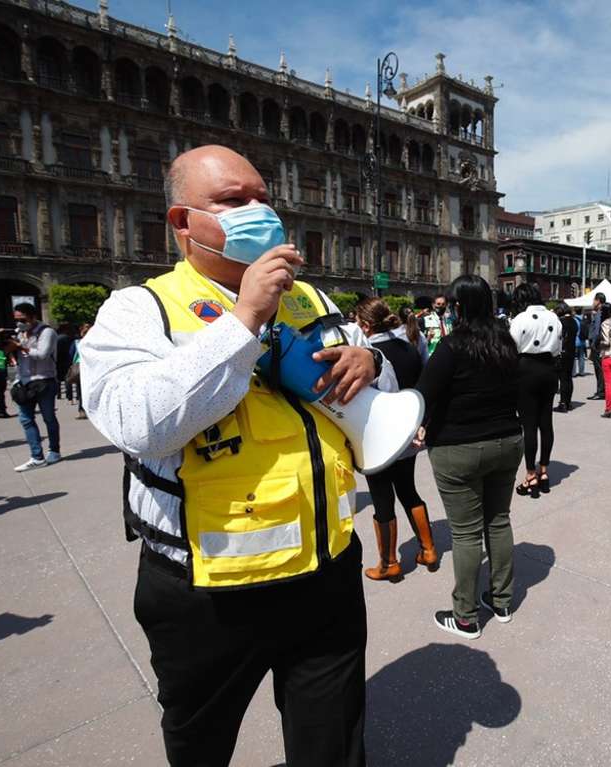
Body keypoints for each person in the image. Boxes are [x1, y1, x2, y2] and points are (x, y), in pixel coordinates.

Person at [80, 145, 394, 766]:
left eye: (262, 197)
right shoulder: (139, 309)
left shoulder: (314, 299)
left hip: (325, 570)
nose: (259, 211)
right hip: (210, 590)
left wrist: (372, 361)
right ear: (182, 222)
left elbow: (362, 402)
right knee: (202, 743)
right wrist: (245, 319)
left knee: (333, 740)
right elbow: (138, 423)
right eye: (232, 201)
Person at [414, 273, 522, 639]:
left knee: (465, 533)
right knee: (499, 520)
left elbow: (424, 394)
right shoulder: (505, 341)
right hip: (507, 439)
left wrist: (420, 425)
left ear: (458, 307)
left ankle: (465, 615)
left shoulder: (452, 345)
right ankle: (502, 599)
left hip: (458, 446)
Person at [353, 297, 437, 582]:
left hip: (378, 438)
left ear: (365, 325)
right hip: (409, 433)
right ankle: (428, 549)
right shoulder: (411, 343)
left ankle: (389, 563)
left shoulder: (368, 353)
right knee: (408, 490)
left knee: (382, 499)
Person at [509, 282, 561, 496]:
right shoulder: (554, 317)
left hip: (526, 369)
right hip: (549, 369)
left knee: (528, 425)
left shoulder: (520, 319)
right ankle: (544, 470)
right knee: (546, 421)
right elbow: (558, 347)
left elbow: (512, 347)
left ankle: (530, 474)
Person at [7, 303, 62, 472]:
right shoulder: (19, 333)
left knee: (48, 418)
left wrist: (21, 347)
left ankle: (54, 450)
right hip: (23, 382)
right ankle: (37, 456)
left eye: (22, 319)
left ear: (32, 316)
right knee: (25, 419)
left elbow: (42, 354)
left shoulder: (47, 332)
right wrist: (9, 350)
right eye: (16, 320)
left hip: (44, 381)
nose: (19, 323)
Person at [554, 303, 577, 412]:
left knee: (563, 378)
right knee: (568, 377)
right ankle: (568, 401)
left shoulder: (561, 322)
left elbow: (559, 337)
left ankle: (563, 403)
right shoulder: (574, 321)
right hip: (571, 351)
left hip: (562, 352)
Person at [586, 293, 606, 400]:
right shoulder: (601, 313)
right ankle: (601, 390)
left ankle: (601, 392)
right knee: (600, 369)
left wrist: (593, 345)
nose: (593, 303)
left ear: (598, 301)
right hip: (600, 344)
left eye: (594, 300)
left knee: (599, 370)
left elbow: (598, 330)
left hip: (597, 345)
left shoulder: (599, 314)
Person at [55, 323, 77, 402]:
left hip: (59, 360)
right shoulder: (71, 338)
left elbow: (56, 350)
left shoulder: (58, 339)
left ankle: (59, 393)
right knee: (68, 378)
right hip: (68, 359)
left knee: (58, 378)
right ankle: (70, 396)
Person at [575, 310, 589, 376]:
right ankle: (581, 372)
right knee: (581, 357)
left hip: (576, 340)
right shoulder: (584, 319)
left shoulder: (574, 319)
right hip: (582, 340)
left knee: (574, 357)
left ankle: (573, 372)